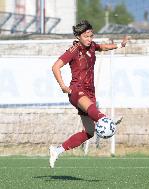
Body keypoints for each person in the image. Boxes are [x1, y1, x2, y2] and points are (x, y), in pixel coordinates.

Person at [50, 20, 129, 168]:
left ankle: (57, 150)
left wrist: (119, 45)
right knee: (95, 112)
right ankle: (106, 120)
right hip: (76, 90)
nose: (89, 39)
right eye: (86, 36)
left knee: (89, 132)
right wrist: (63, 86)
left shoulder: (92, 46)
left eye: (91, 36)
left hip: (89, 92)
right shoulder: (73, 50)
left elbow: (103, 47)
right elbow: (55, 67)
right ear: (79, 36)